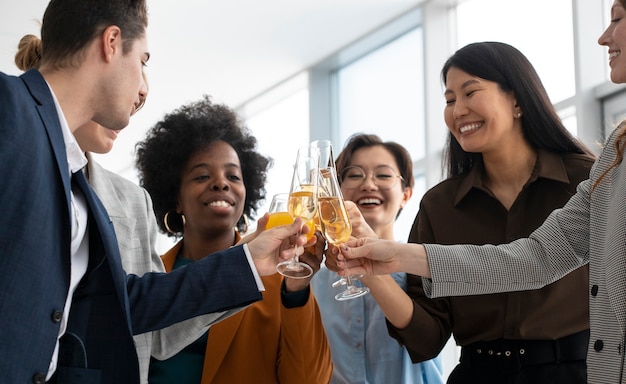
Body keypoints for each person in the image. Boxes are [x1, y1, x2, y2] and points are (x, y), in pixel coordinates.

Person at [0, 1, 308, 383]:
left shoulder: (80, 183)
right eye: (143, 59)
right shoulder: (8, 106)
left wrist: (247, 260)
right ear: (112, 42)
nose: (144, 86)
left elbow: (124, 304)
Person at [336, 2, 626, 382]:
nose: (458, 110)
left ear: (518, 99)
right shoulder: (611, 164)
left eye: (617, 18)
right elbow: (531, 261)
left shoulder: (589, 171)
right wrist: (389, 260)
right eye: (450, 99)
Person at [14, 33, 234, 384]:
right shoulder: (18, 151)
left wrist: (249, 264)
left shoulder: (132, 200)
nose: (128, 110)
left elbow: (156, 331)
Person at [135, 96, 333, 384]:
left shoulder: (277, 279)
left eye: (233, 176)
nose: (221, 182)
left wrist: (297, 289)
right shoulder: (151, 277)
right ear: (175, 198)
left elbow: (308, 380)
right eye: (202, 175)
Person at [312, 133, 444, 384]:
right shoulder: (314, 282)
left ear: (406, 194)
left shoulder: (423, 265)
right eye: (354, 175)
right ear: (336, 192)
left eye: (383, 175)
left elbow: (427, 342)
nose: (368, 184)